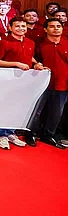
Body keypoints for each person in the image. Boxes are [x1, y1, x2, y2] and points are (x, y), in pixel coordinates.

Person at [0, 17, 44, 149]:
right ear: (10, 28)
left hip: (24, 81)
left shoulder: (30, 42)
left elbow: (28, 55)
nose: (21, 28)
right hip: (8, 80)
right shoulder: (4, 42)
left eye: (23, 26)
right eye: (17, 26)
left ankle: (11, 133)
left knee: (18, 107)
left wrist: (36, 63)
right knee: (5, 107)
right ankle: (2, 135)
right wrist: (16, 64)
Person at [35, 19, 68, 149]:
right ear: (45, 29)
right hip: (42, 83)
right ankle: (32, 133)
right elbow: (34, 59)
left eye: (58, 26)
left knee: (57, 112)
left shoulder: (66, 44)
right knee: (38, 110)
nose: (56, 29)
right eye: (52, 26)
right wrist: (37, 64)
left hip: (63, 84)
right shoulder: (39, 44)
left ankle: (49, 135)